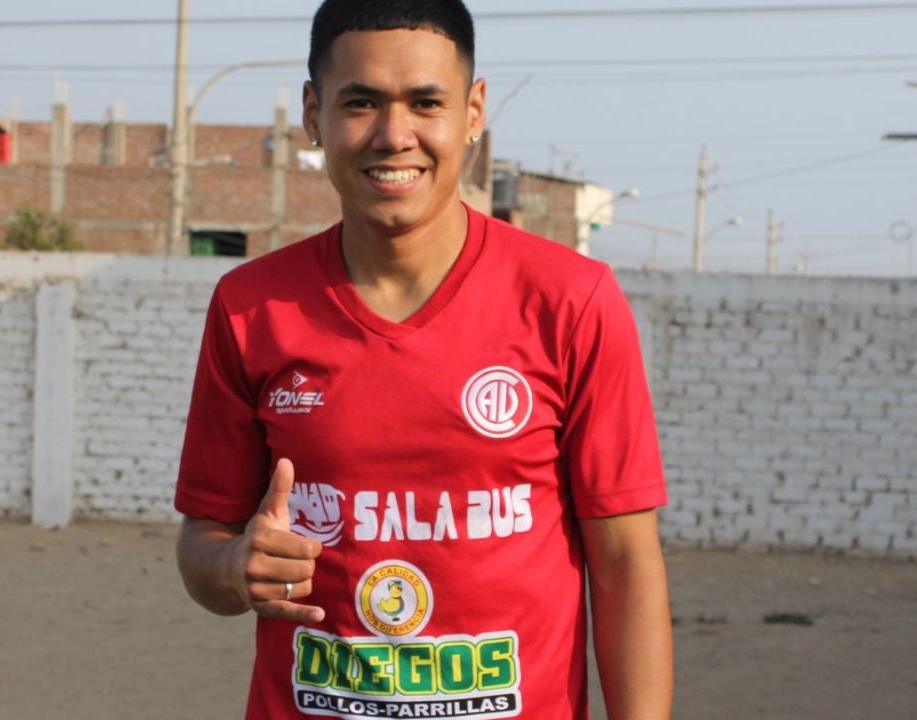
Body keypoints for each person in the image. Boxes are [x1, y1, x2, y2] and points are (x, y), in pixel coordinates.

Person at [174, 1, 673, 717]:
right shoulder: (252, 307)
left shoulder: (572, 300)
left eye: (425, 102)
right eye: (361, 102)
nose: (393, 135)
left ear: (473, 112)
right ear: (314, 114)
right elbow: (203, 542)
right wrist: (233, 568)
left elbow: (626, 563)